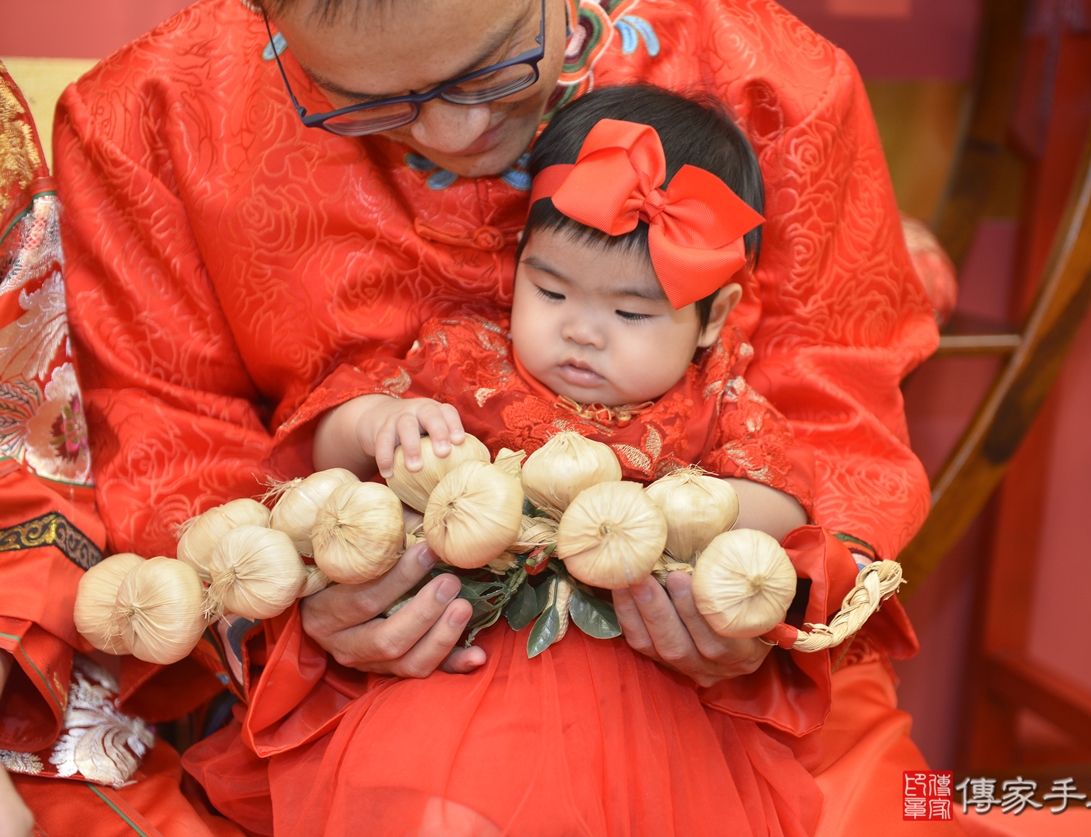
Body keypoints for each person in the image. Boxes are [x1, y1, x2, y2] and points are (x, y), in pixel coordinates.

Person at [40, 0, 956, 833]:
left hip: (735, 702)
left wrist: (758, 596)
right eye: (361, 99)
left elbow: (839, 432)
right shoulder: (154, 117)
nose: (454, 132)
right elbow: (173, 444)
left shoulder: (772, 81)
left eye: (497, 67)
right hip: (355, 683)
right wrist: (297, 608)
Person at [309, 86, 812, 546]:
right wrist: (372, 422)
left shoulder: (716, 399)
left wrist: (671, 513)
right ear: (519, 261)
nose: (581, 332)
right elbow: (329, 445)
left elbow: (786, 508)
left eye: (630, 312)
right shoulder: (465, 361)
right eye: (550, 292)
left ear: (712, 317)